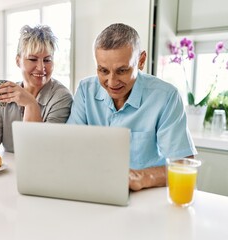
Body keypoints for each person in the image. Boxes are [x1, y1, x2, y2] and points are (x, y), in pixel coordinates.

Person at [67, 23, 197, 191]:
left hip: (146, 196)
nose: (112, 82)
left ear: (141, 61)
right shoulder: (85, 90)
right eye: (103, 71)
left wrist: (141, 177)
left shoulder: (165, 96)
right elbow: (70, 148)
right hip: (95, 190)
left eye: (122, 71)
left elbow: (183, 165)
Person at [0, 25, 73, 152]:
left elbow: (37, 150)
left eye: (47, 60)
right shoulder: (7, 92)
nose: (41, 67)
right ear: (18, 61)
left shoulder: (61, 97)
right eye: (33, 59)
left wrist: (31, 104)